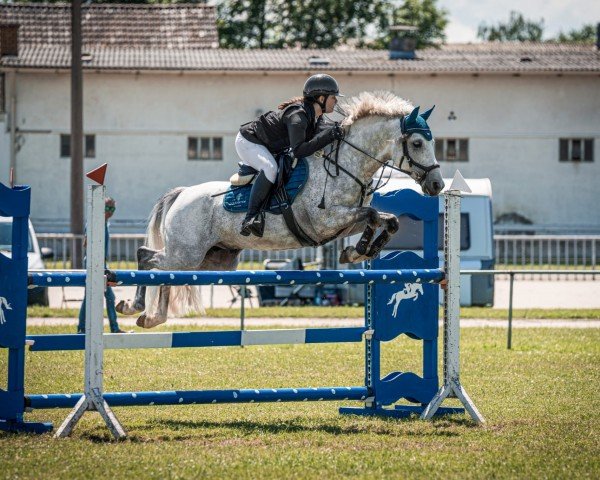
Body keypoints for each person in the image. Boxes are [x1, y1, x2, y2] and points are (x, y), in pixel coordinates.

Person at [236, 73, 346, 237]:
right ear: (321, 98)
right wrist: (330, 135)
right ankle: (250, 218)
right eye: (333, 97)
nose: (336, 101)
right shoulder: (298, 117)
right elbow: (299, 150)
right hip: (248, 141)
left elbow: (325, 132)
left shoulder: (315, 117)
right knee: (270, 168)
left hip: (267, 145)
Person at [77, 197, 128, 334]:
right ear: (101, 208)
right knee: (105, 297)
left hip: (101, 263)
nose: (110, 212)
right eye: (107, 208)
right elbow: (86, 243)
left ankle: (82, 328)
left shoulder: (105, 223)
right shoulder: (95, 221)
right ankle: (113, 328)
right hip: (93, 263)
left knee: (92, 296)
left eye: (113, 209)